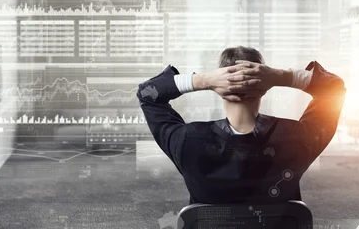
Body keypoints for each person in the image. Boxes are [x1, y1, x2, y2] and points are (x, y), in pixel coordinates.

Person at [137, 46, 346, 205]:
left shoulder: (187, 141)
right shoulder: (297, 138)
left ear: (218, 87)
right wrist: (279, 76)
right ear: (265, 89)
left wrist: (203, 80)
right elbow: (334, 89)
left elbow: (148, 94)